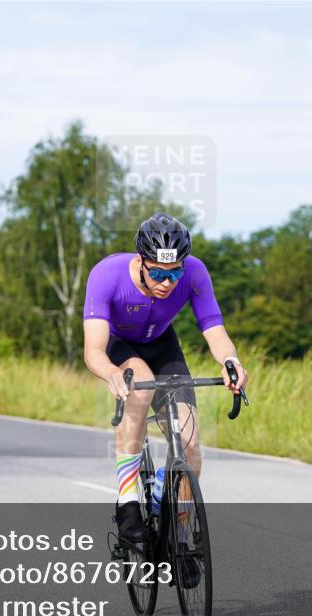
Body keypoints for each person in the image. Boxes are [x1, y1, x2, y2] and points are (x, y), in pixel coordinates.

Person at [82, 213, 248, 545]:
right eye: (157, 273)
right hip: (121, 344)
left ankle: (180, 537)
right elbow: (94, 350)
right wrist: (113, 374)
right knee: (140, 390)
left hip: (162, 343)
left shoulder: (196, 272)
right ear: (140, 261)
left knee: (190, 444)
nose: (167, 283)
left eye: (174, 274)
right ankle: (128, 502)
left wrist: (231, 362)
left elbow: (214, 329)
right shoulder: (107, 275)